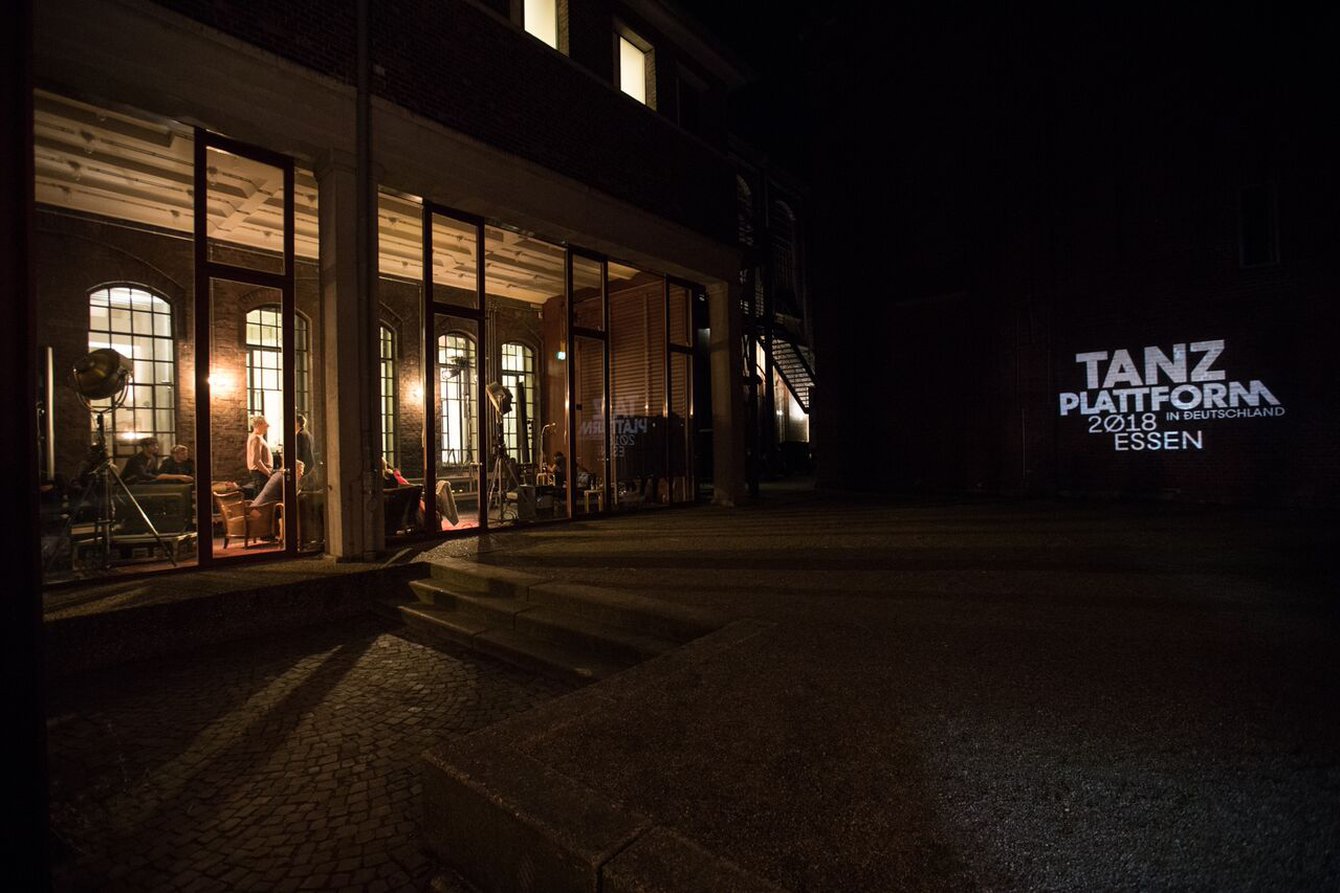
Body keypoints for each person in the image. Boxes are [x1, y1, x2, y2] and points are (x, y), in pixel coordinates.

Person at [122, 437, 192, 484]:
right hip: (128, 486)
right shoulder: (136, 459)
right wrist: (159, 477)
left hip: (142, 485)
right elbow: (142, 475)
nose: (156, 447)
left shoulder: (152, 458)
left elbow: (155, 473)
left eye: (156, 445)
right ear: (144, 447)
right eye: (153, 446)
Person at [246, 415, 274, 493]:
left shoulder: (256, 437)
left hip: (261, 473)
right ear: (258, 424)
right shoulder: (256, 438)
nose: (268, 426)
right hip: (261, 474)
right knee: (261, 498)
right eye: (265, 424)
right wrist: (267, 472)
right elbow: (256, 460)